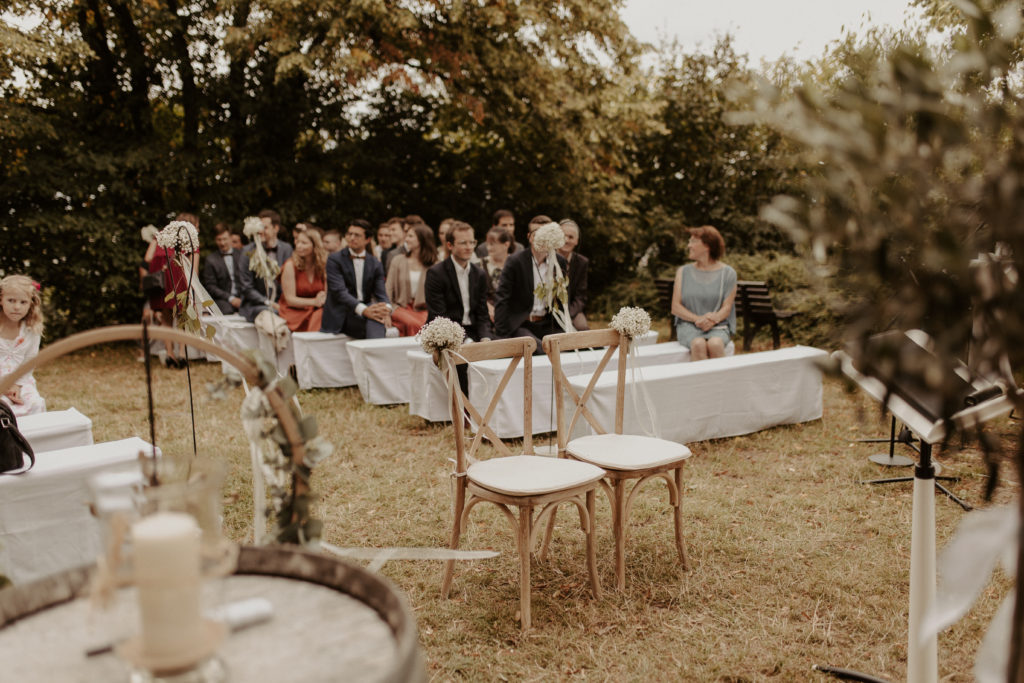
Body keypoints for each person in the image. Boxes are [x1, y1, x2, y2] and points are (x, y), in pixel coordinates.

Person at [493, 215, 567, 344]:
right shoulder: (515, 261)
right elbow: (502, 298)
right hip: (521, 324)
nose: (541, 239)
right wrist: (501, 334)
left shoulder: (559, 262)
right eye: (537, 234)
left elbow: (562, 299)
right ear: (529, 237)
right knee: (537, 348)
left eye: (546, 234)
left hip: (547, 323)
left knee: (569, 346)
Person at [671, 225, 737, 360]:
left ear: (707, 246)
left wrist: (713, 320)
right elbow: (675, 307)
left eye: (693, 241)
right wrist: (698, 319)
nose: (689, 245)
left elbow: (727, 308)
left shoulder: (728, 273)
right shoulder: (683, 272)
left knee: (715, 344)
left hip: (718, 325)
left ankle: (723, 375)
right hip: (688, 325)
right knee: (698, 344)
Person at [321, 219, 392, 339]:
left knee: (376, 318)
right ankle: (376, 348)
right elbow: (340, 292)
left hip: (365, 312)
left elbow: (382, 294)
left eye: (357, 235)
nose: (352, 238)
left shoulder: (375, 263)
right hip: (342, 314)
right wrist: (364, 310)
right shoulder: (334, 260)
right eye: (349, 234)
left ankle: (374, 348)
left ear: (367, 239)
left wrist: (386, 310)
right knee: (375, 319)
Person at [145, 211, 200, 367]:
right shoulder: (190, 238)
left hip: (161, 279)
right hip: (178, 277)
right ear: (192, 225)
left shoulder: (161, 235)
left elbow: (148, 257)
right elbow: (194, 270)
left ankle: (169, 355)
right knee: (182, 318)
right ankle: (182, 354)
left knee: (166, 318)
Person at [238, 208, 294, 323]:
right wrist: (268, 302)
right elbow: (246, 287)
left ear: (276, 228)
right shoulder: (247, 251)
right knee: (274, 314)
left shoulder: (287, 249)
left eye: (265, 227)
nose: (260, 231)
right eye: (259, 227)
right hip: (256, 305)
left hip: (282, 303)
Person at [0, 275, 46, 416]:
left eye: (23, 302)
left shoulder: (31, 330)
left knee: (35, 403)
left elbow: (29, 361)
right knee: (4, 406)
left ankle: (31, 431)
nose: (16, 307)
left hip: (20, 381)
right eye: (11, 300)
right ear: (1, 299)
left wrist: (16, 384)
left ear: (30, 304)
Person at [387, 223, 437, 336]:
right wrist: (386, 311)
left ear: (422, 239)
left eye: (410, 236)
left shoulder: (434, 264)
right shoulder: (397, 260)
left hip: (424, 309)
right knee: (412, 323)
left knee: (427, 324)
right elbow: (388, 290)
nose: (406, 239)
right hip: (400, 307)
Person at [278, 226, 327, 332]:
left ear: (315, 246)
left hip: (317, 310)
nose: (299, 246)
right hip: (294, 312)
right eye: (298, 242)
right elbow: (290, 300)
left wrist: (323, 297)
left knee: (321, 314)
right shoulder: (290, 265)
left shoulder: (322, 265)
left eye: (304, 243)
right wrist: (314, 302)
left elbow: (327, 293)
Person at [202, 223, 244, 314]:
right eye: (219, 240)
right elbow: (211, 286)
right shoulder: (211, 259)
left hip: (243, 298)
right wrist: (231, 298)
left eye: (225, 239)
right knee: (226, 311)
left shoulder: (242, 255)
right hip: (223, 300)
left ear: (231, 238)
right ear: (215, 240)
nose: (222, 243)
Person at [557, 218, 589, 331]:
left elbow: (581, 296)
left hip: (572, 310)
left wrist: (568, 314)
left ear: (576, 241)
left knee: (582, 327)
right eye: (563, 236)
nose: (566, 240)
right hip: (551, 311)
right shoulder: (547, 259)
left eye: (571, 237)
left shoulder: (582, 262)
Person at [479, 225, 513, 320]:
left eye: (492, 244)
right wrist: (489, 308)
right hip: (487, 316)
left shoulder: (516, 263)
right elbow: (476, 294)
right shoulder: (480, 265)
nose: (489, 248)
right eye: (488, 244)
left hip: (512, 316)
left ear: (506, 244)